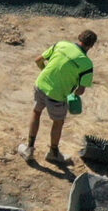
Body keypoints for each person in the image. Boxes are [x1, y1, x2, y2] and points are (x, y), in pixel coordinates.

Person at [20, 29, 98, 170]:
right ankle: (53, 153)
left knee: (36, 112)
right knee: (58, 122)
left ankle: (29, 149)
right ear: (91, 46)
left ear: (79, 37)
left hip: (40, 85)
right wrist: (71, 92)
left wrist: (46, 72)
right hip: (57, 96)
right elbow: (80, 91)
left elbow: (38, 60)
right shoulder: (87, 65)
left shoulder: (61, 44)